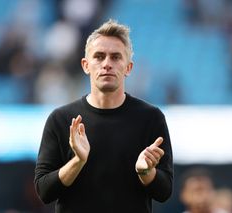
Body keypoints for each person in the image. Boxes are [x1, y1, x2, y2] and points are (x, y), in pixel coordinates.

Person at [34, 19, 173, 213]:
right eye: (99, 56)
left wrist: (146, 172)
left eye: (116, 57)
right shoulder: (61, 119)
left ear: (128, 67)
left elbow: (164, 191)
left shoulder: (150, 118)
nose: (107, 64)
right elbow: (44, 191)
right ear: (85, 65)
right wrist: (77, 161)